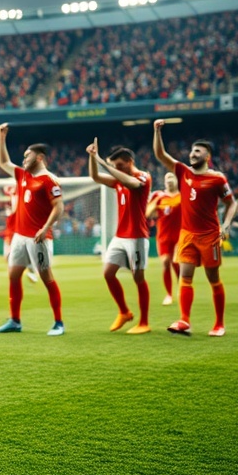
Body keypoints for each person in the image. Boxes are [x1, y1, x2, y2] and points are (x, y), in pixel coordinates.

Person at [152, 120, 238, 337]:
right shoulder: (182, 172)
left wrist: (226, 225)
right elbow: (160, 154)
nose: (192, 154)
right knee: (185, 276)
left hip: (209, 236)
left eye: (198, 151)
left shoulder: (217, 179)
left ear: (207, 156)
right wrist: (157, 131)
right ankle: (184, 320)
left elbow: (232, 203)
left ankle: (219, 324)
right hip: (187, 235)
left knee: (213, 278)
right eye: (192, 151)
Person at [0, 123, 65, 336]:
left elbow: (59, 207)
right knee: (13, 275)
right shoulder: (23, 175)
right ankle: (15, 320)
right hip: (20, 236)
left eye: (27, 155)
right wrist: (1, 138)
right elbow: (4, 162)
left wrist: (45, 228)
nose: (23, 159)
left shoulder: (49, 180)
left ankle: (58, 323)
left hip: (38, 238)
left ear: (39, 157)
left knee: (46, 278)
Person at [87, 139, 152, 334]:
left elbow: (131, 183)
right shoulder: (118, 180)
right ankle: (124, 312)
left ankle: (144, 322)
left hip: (137, 236)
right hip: (120, 235)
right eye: (114, 166)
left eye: (119, 165)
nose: (116, 169)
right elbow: (95, 177)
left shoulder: (143, 177)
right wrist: (93, 158)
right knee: (108, 273)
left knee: (138, 277)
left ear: (129, 161)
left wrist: (104, 163)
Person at [145, 172, 182, 306]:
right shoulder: (158, 196)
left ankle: (182, 289)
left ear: (177, 180)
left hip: (180, 235)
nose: (169, 180)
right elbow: (147, 214)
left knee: (176, 262)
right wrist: (155, 203)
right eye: (167, 178)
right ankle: (169, 294)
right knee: (166, 262)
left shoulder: (182, 196)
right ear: (164, 182)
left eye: (172, 177)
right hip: (163, 236)